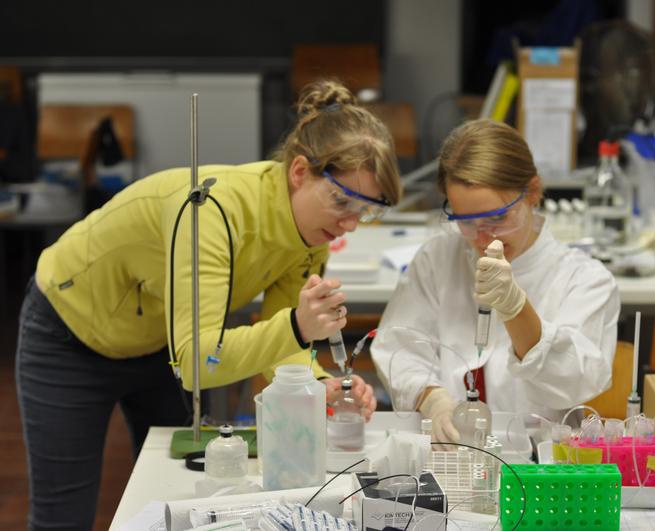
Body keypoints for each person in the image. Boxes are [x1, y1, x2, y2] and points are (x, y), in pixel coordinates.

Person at [15, 79, 400, 530]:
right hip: (69, 335)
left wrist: (314, 382)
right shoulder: (210, 212)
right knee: (63, 516)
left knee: (171, 504)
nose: (350, 224)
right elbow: (201, 363)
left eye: (367, 211)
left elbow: (281, 339)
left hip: (160, 340)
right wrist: (297, 327)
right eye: (342, 201)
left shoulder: (312, 231)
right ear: (299, 172)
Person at [371, 119, 619, 443]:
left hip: (537, 463)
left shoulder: (585, 280)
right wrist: (433, 400)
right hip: (451, 453)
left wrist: (516, 308)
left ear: (532, 192)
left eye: (497, 218)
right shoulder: (438, 258)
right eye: (465, 221)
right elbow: (398, 349)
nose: (483, 237)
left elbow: (576, 382)